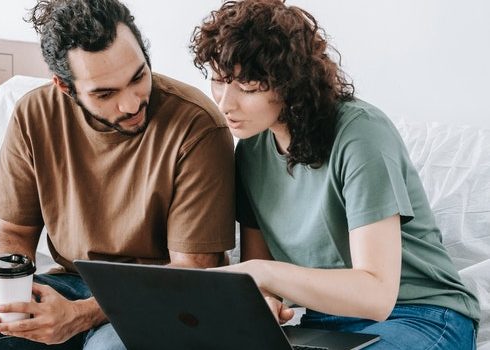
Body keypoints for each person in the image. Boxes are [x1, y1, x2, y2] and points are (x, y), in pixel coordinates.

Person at [0, 0, 237, 349]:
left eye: (138, 76)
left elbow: (193, 270)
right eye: (105, 93)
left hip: (159, 299)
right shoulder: (34, 115)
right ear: (64, 86)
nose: (132, 103)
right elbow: (14, 231)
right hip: (71, 283)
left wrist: (83, 314)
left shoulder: (196, 126)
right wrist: (0, 283)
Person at [190, 0, 480, 349]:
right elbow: (260, 276)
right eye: (220, 81)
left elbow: (377, 295)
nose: (225, 104)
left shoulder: (360, 134)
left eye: (249, 88)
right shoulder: (251, 150)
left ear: (290, 83)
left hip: (421, 314)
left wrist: (264, 274)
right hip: (324, 322)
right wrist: (263, 300)